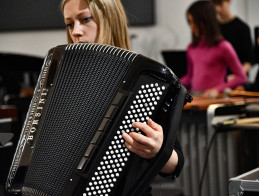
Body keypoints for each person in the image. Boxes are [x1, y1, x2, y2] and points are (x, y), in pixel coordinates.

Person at [61, 0, 184, 194]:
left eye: (85, 19)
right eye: (69, 23)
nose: (75, 31)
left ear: (110, 20)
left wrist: (158, 152)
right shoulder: (63, 83)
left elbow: (176, 165)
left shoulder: (145, 81)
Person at [180, 0, 247, 98]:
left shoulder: (223, 46)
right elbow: (190, 77)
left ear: (206, 21)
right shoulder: (191, 48)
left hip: (213, 99)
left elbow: (241, 77)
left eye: (194, 22)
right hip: (195, 97)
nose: (192, 26)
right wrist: (174, 83)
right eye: (190, 22)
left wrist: (217, 89)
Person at [211, 0, 253, 81]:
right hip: (218, 81)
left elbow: (249, 60)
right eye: (214, 5)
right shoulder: (213, 29)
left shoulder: (243, 28)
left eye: (220, 4)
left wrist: (237, 75)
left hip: (237, 81)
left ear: (228, 1)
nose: (217, 8)